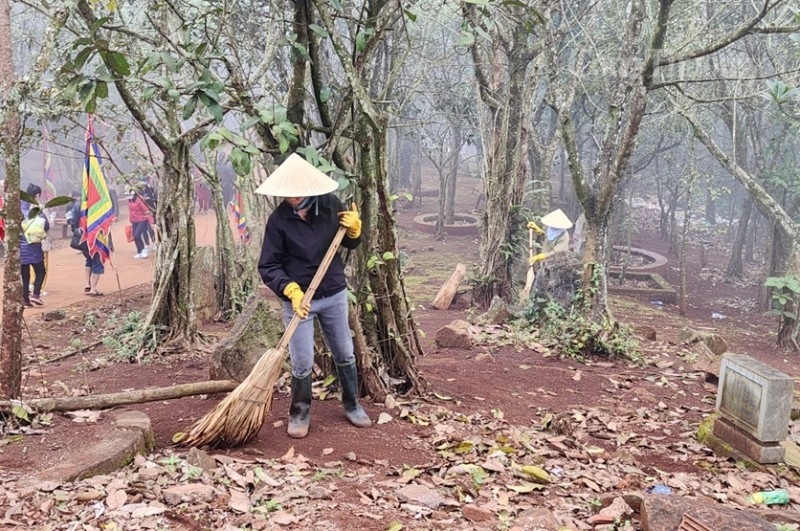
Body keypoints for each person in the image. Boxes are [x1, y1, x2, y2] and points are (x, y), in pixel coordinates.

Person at [256, 153, 371, 439]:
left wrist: (355, 230)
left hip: (333, 292)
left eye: (298, 194)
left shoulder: (331, 206)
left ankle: (352, 404)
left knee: (344, 351)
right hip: (300, 299)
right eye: (288, 194)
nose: (293, 198)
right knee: (302, 359)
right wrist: (290, 290)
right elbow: (268, 265)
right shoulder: (278, 220)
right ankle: (300, 411)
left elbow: (350, 242)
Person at [66, 191, 104, 296]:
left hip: (82, 238)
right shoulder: (97, 207)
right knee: (97, 260)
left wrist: (76, 232)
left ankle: (87, 284)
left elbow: (72, 220)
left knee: (88, 260)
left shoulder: (78, 205)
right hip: (94, 237)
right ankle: (94, 288)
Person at [20, 184, 50, 307]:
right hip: (33, 246)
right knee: (41, 271)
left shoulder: (18, 207)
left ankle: (25, 300)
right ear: (37, 195)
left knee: (25, 274)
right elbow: (46, 226)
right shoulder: (38, 209)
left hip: (20, 246)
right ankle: (36, 295)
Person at [127, 186, 152, 258]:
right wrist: (131, 220)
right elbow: (130, 212)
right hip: (134, 221)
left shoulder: (139, 201)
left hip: (142, 220)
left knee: (138, 235)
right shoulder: (129, 201)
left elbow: (147, 211)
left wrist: (151, 221)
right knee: (135, 237)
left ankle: (144, 250)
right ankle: (139, 251)